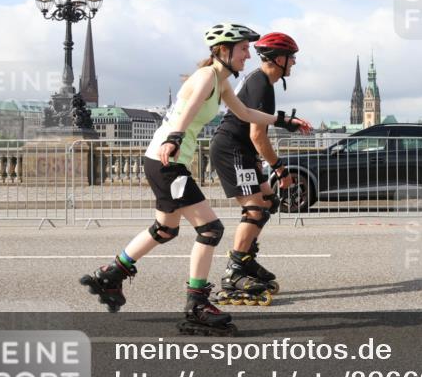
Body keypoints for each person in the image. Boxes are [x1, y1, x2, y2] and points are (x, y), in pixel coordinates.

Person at [79, 23, 311, 336]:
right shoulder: (207, 77)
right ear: (225, 50)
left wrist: (284, 121)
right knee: (210, 229)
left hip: (164, 161)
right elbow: (186, 110)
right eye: (243, 49)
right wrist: (173, 138)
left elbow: (245, 114)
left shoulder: (222, 82)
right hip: (167, 161)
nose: (248, 55)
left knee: (165, 229)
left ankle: (110, 274)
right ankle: (197, 304)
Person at [209, 32, 301, 305]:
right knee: (255, 208)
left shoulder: (262, 82)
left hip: (243, 151)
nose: (294, 62)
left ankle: (246, 260)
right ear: (278, 59)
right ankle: (234, 271)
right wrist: (280, 170)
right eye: (292, 57)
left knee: (268, 202)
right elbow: (257, 136)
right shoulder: (261, 83)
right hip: (232, 149)